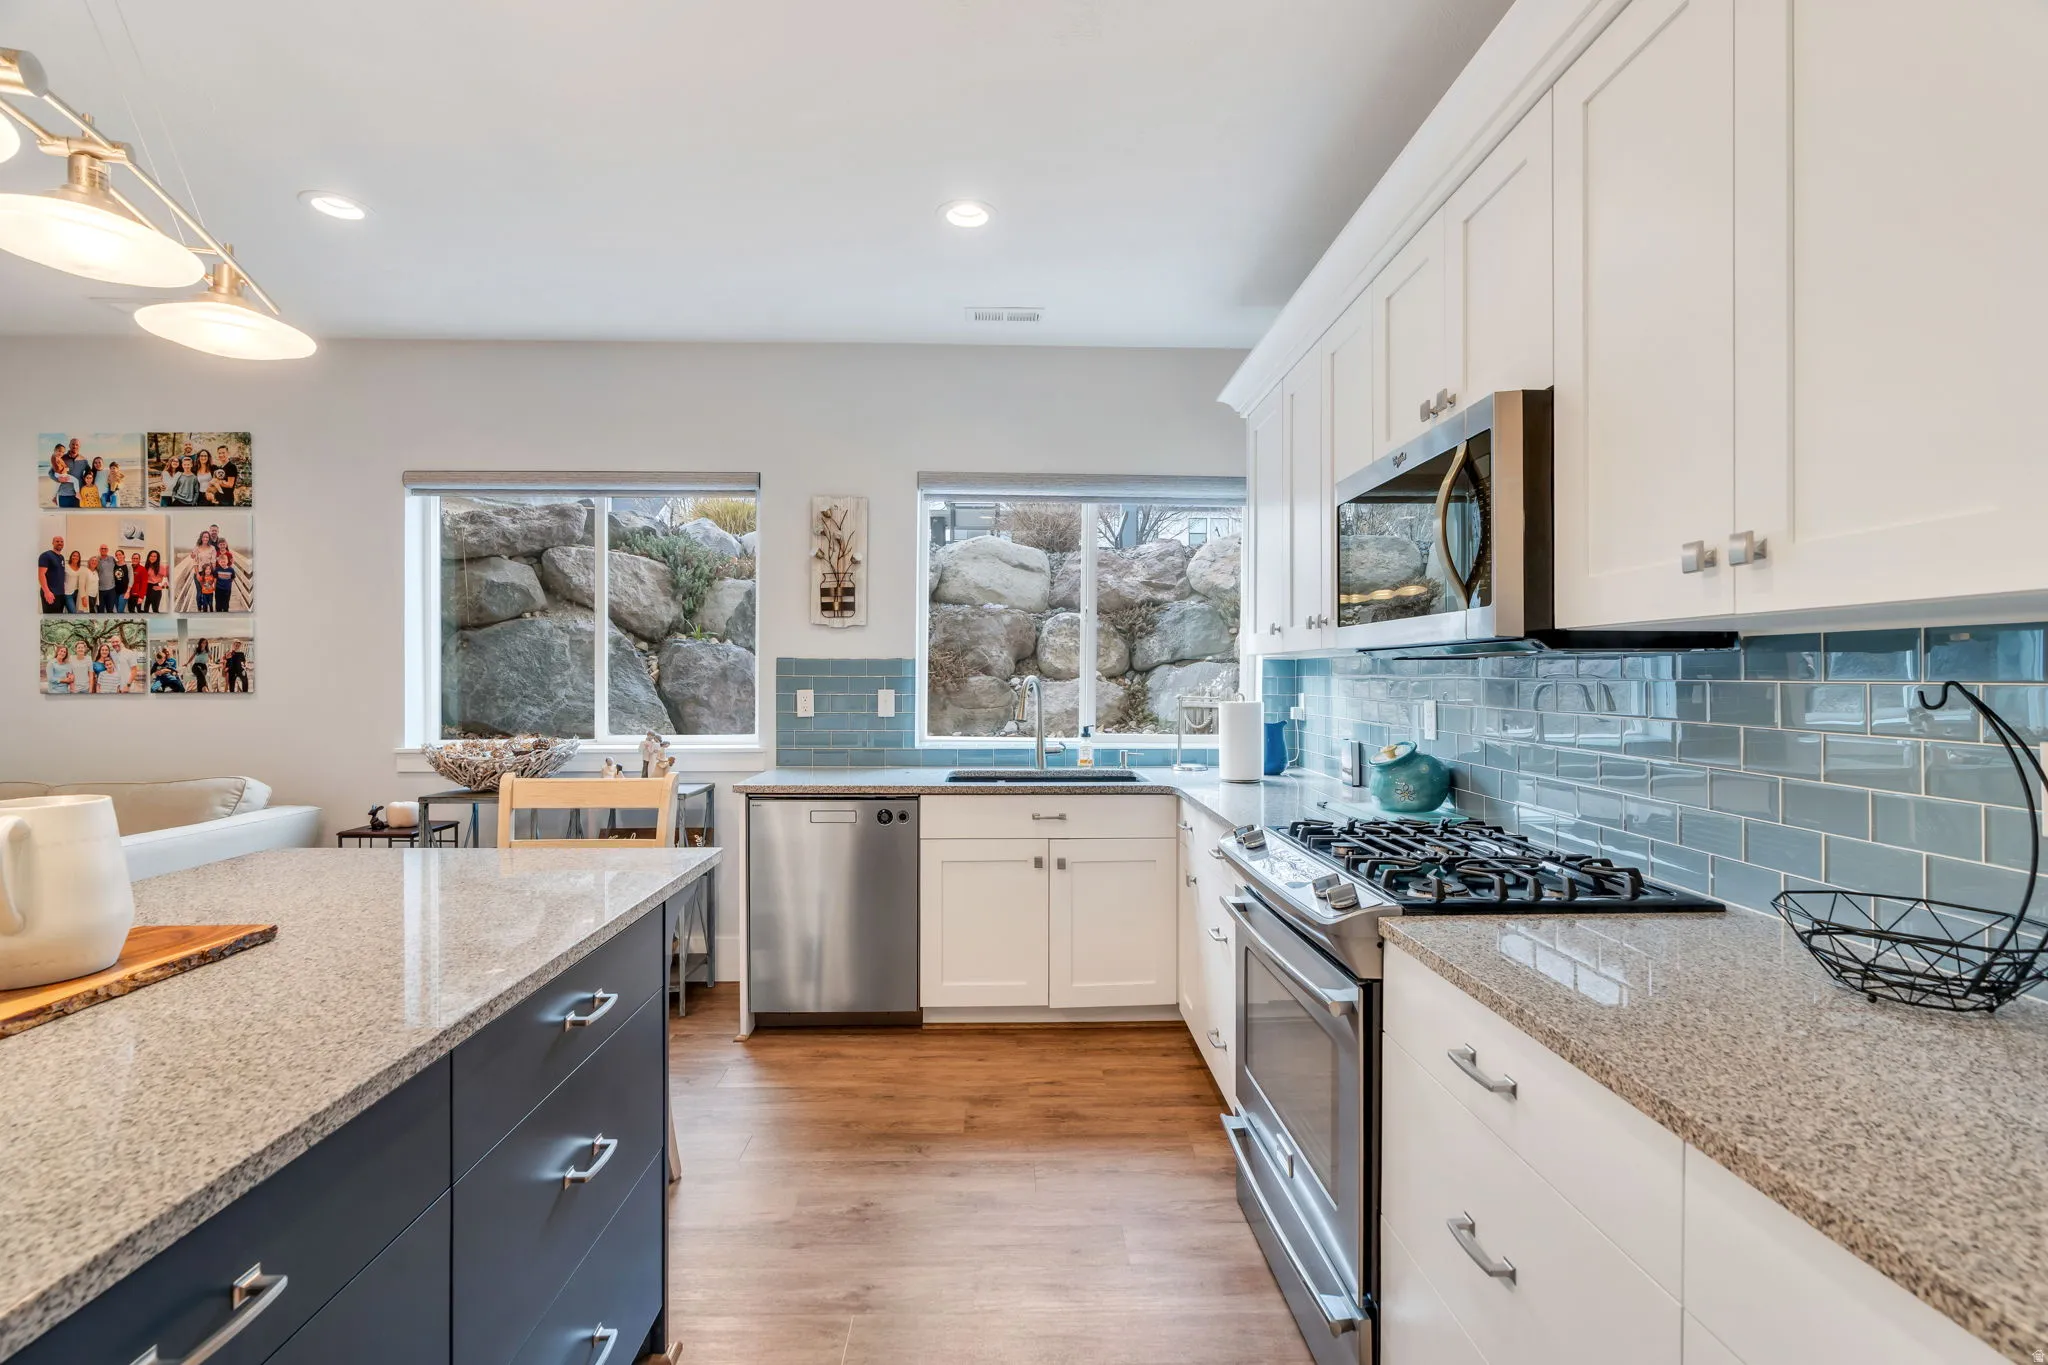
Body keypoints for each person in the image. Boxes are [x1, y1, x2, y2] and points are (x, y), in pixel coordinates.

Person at [188, 533, 217, 612]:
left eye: (207, 537)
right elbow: (195, 562)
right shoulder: (197, 548)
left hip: (208, 573)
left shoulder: (212, 548)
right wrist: (197, 574)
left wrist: (213, 574)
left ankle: (209, 607)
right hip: (199, 572)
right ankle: (199, 608)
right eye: (204, 537)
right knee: (200, 592)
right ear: (201, 538)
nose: (205, 538)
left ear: (209, 538)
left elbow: (213, 562)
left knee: (208, 591)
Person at [37, 535, 65, 615]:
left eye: (61, 541)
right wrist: (47, 592)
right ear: (52, 543)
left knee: (58, 619)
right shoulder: (46, 556)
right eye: (57, 541)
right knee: (50, 620)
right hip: (50, 594)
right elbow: (41, 574)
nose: (60, 543)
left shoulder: (61, 557)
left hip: (60, 594)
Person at [49, 443, 78, 508]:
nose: (75, 446)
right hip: (63, 494)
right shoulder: (61, 457)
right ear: (70, 446)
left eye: (77, 445)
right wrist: (58, 479)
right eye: (73, 444)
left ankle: (54, 497)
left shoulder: (83, 460)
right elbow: (50, 473)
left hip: (76, 495)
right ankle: (54, 497)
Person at [212, 543, 237, 613]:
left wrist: (227, 583)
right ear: (219, 562)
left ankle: (225, 610)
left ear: (227, 561)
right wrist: (214, 586)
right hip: (218, 588)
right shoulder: (217, 569)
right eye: (221, 562)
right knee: (218, 601)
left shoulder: (231, 570)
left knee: (226, 601)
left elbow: (232, 578)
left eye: (224, 561)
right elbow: (215, 578)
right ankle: (218, 610)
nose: (223, 563)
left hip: (227, 589)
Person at [94, 544, 117, 614]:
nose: (103, 550)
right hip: (100, 590)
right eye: (102, 548)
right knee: (100, 611)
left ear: (107, 550)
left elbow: (118, 568)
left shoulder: (112, 559)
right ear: (99, 550)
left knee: (110, 611)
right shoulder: (96, 560)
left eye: (105, 548)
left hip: (111, 590)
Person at [110, 550, 132, 614]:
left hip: (124, 592)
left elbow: (131, 580)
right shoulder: (114, 565)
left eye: (120, 554)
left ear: (123, 555)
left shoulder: (128, 566)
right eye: (116, 555)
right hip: (115, 592)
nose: (118, 556)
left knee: (120, 610)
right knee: (118, 610)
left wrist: (128, 592)